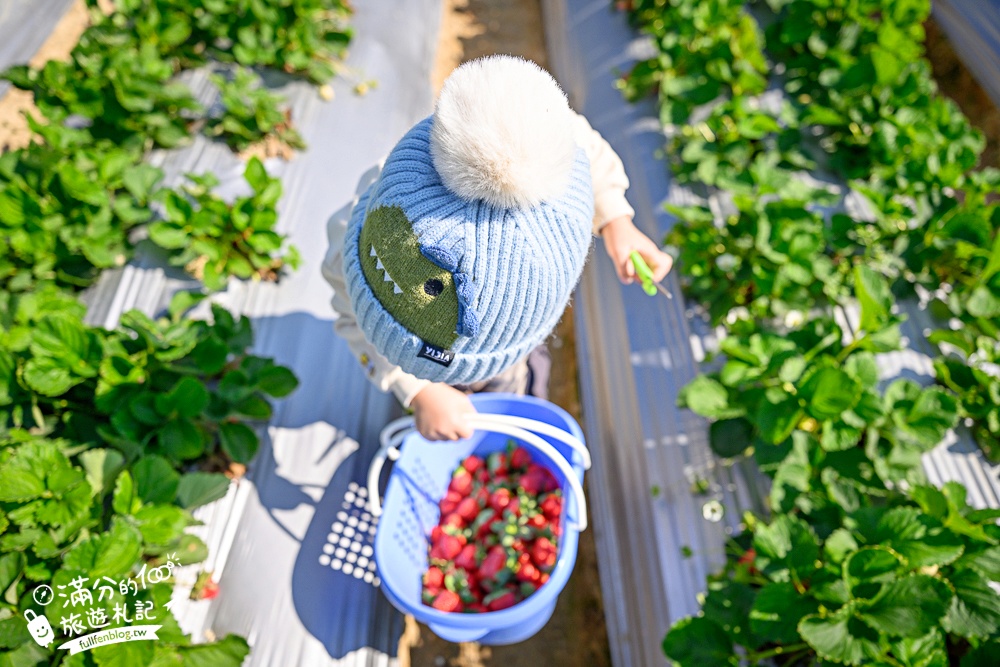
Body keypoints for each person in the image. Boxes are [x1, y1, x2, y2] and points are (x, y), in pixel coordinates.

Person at [321, 54, 672, 441]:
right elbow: (351, 319)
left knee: (510, 384)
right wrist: (419, 390)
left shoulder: (548, 143)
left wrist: (616, 220)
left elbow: (585, 147)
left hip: (504, 350)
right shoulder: (361, 241)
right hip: (457, 357)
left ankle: (507, 385)